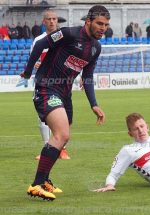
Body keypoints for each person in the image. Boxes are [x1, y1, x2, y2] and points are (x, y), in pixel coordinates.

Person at [21, 5, 109, 201]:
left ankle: (43, 181)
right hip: (47, 87)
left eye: (106, 24)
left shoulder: (96, 47)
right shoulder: (69, 33)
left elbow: (88, 76)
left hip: (65, 93)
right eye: (99, 23)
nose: (103, 28)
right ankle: (36, 185)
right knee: (62, 134)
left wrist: (93, 104)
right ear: (88, 21)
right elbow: (39, 45)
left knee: (63, 138)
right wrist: (28, 73)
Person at [31, 9, 70, 161]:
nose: (52, 21)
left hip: (61, 82)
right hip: (43, 82)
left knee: (63, 115)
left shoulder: (64, 38)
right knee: (42, 117)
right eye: (49, 19)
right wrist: (35, 65)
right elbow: (33, 59)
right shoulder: (38, 40)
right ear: (44, 21)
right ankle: (46, 148)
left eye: (54, 19)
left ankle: (62, 149)